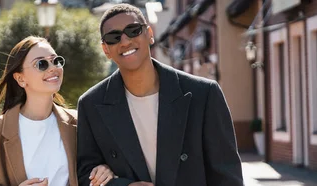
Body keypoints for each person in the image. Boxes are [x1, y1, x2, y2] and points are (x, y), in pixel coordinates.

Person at [76, 4, 244, 186]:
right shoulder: (91, 104)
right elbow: (86, 174)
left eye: (133, 30)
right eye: (113, 37)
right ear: (105, 49)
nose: (124, 41)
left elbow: (227, 175)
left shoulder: (203, 94)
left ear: (149, 34)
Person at [0, 36, 115, 186]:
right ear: (20, 79)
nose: (53, 68)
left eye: (56, 61)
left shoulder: (79, 123)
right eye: (41, 64)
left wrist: (104, 169)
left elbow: (96, 166)